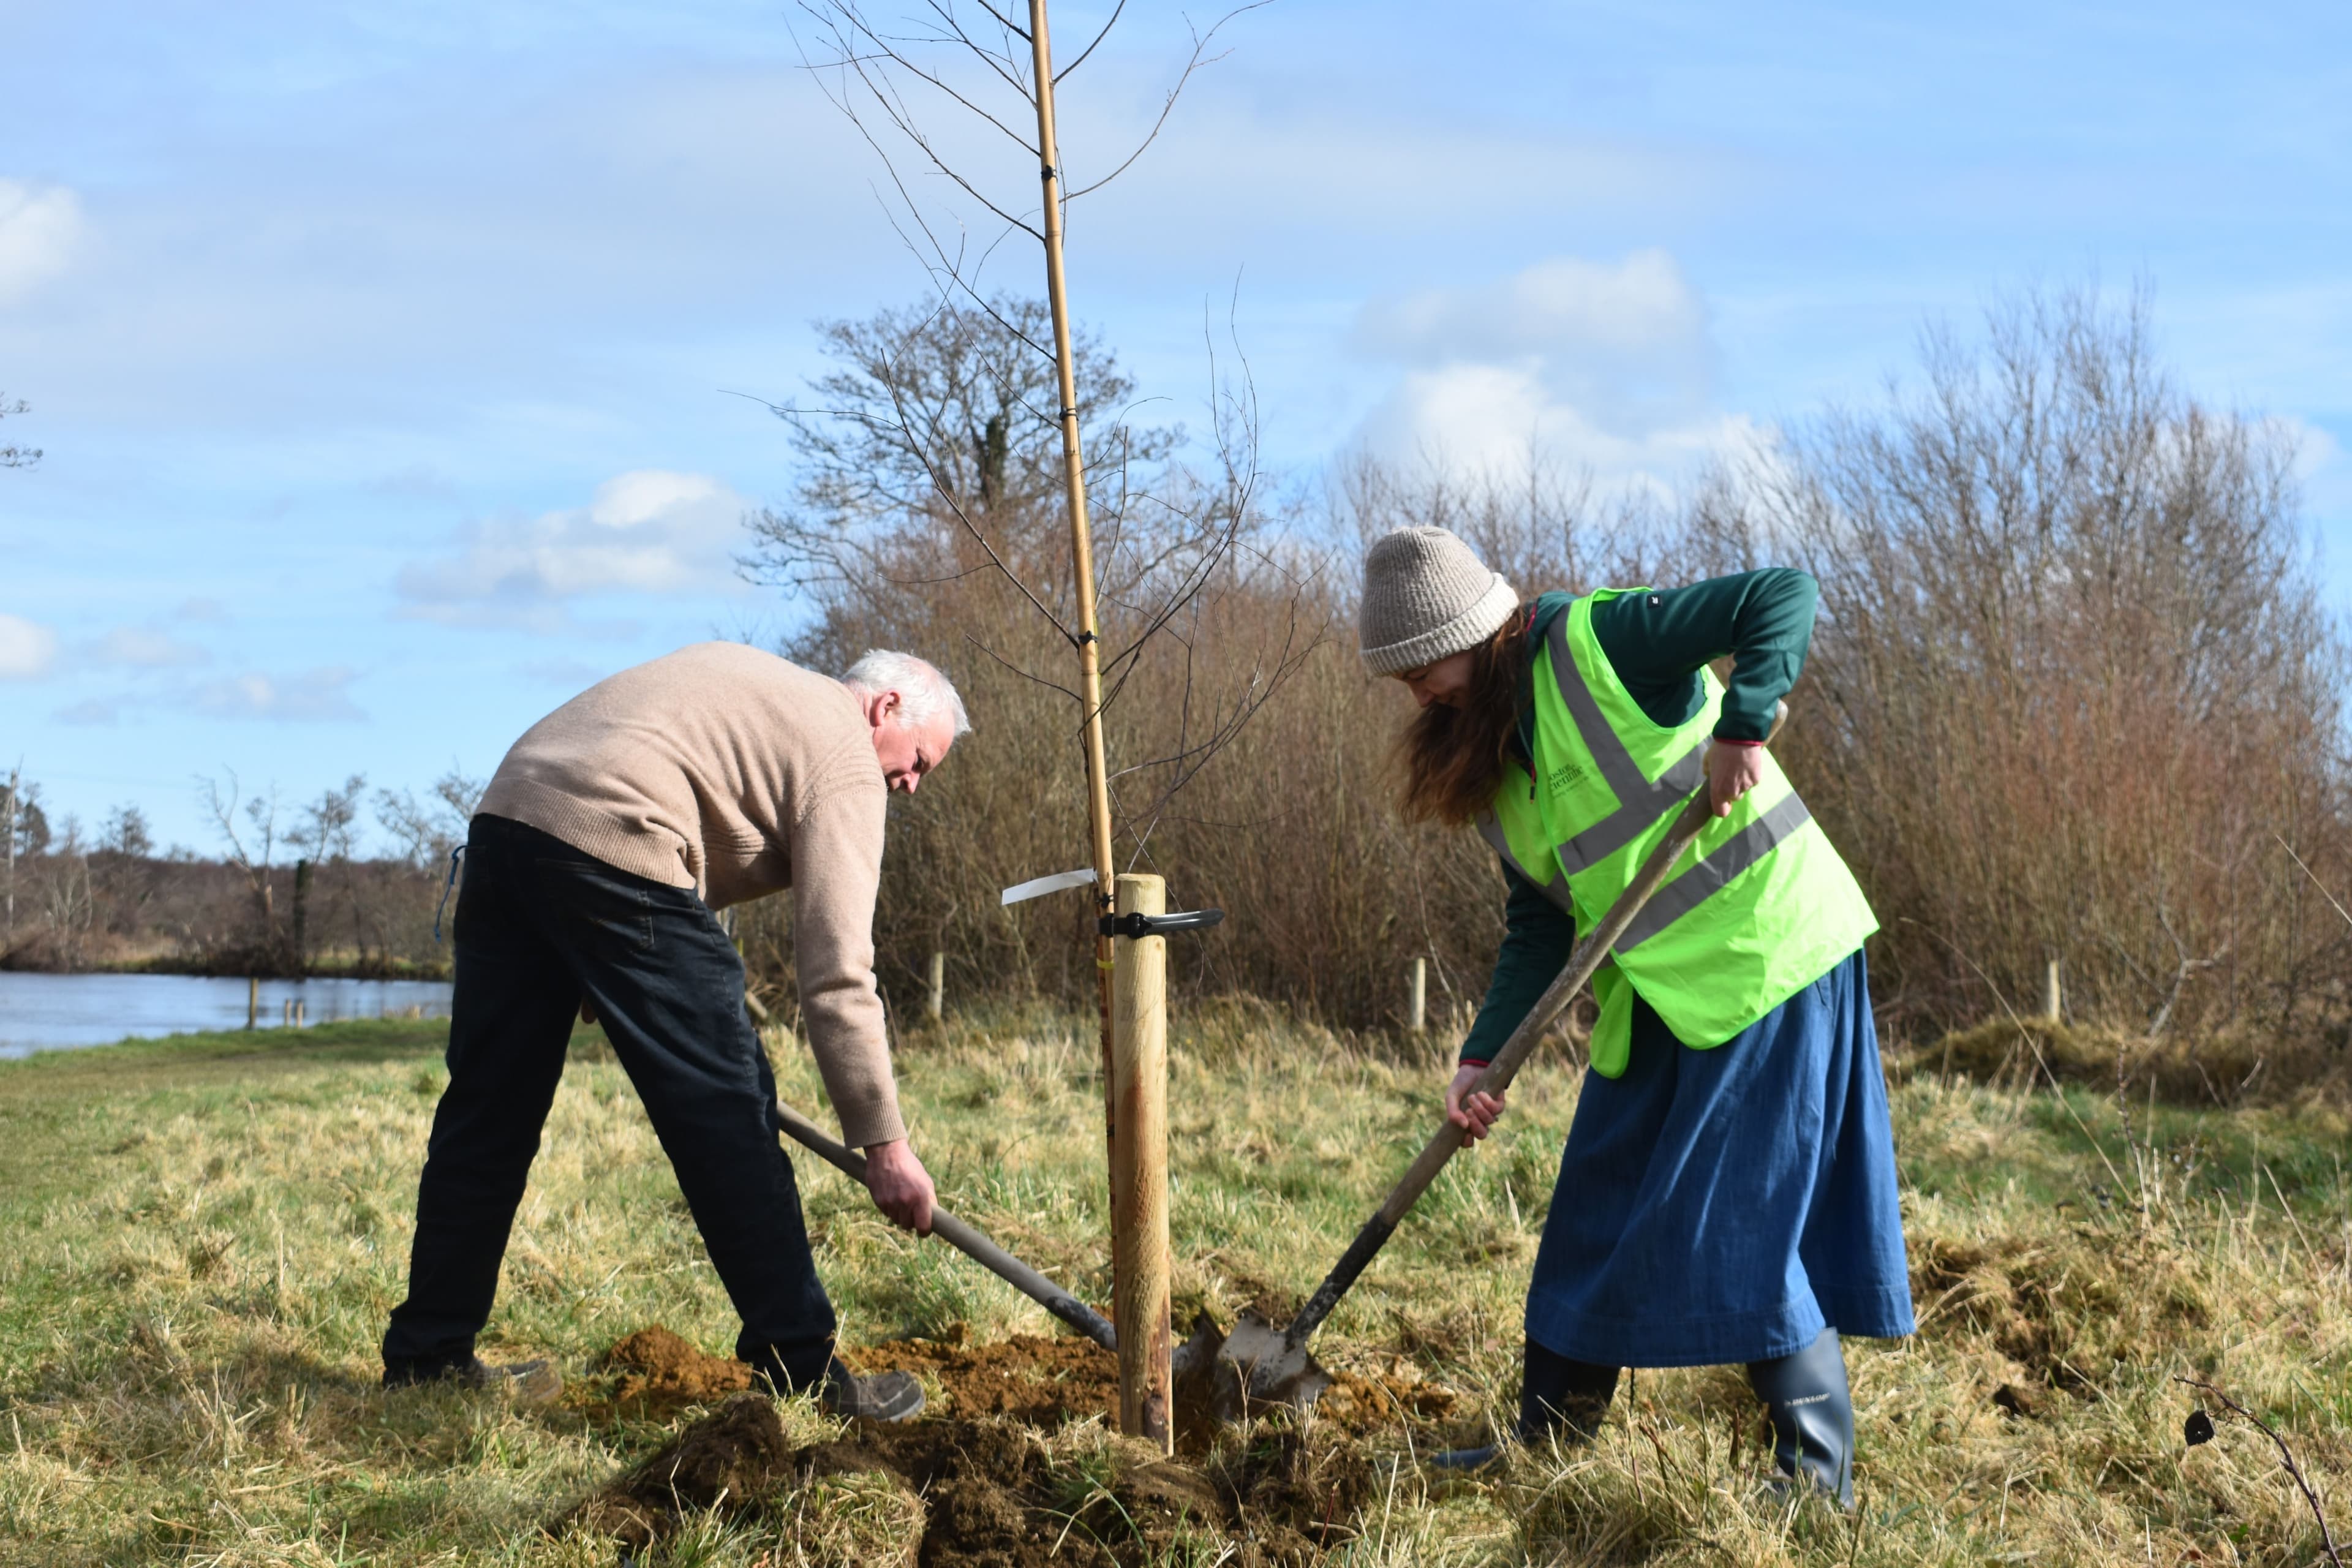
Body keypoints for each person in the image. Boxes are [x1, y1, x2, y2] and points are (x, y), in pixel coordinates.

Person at [1357, 527, 1913, 1504]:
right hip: (1655, 994)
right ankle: (1546, 1442)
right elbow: (1541, 921)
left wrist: (1742, 726)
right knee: (1594, 1211)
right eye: (1402, 681)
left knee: (1740, 1219)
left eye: (1422, 670)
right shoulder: (1498, 758)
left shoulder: (1603, 644)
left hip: (1764, 961)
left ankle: (1815, 1485)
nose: (1418, 696)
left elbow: (1780, 594)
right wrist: (1481, 1057)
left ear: (1472, 635)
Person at [380, 643, 967, 1421]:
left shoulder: (766, 691)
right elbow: (837, 977)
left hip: (507, 823)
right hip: (615, 834)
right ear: (886, 707)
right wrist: (885, 1145)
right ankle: (804, 1372)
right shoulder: (845, 751)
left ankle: (427, 1357)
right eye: (919, 760)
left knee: (488, 1111)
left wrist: (592, 957)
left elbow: (667, 791)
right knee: (729, 1110)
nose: (912, 783)